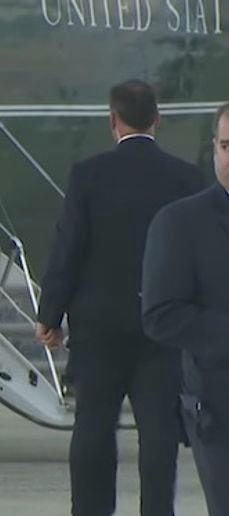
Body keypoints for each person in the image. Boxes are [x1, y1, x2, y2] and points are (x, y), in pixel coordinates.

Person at [36, 80, 204, 516]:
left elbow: (68, 248)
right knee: (158, 432)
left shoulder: (87, 175)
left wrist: (49, 313)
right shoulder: (185, 177)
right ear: (157, 120)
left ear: (112, 120)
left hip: (97, 326)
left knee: (92, 426)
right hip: (162, 324)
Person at [142, 102, 229, 516]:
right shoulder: (180, 223)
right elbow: (161, 314)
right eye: (228, 146)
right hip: (221, 411)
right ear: (214, 148)